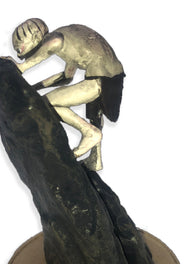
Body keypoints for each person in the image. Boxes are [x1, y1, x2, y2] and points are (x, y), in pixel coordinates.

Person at [7, 18, 125, 171]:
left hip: (98, 78)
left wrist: (20, 67)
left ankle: (89, 132)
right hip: (114, 76)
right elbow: (66, 77)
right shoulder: (70, 40)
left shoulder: (55, 38)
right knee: (95, 116)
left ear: (34, 37)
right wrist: (34, 88)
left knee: (45, 104)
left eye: (20, 48)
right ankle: (95, 159)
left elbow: (53, 43)